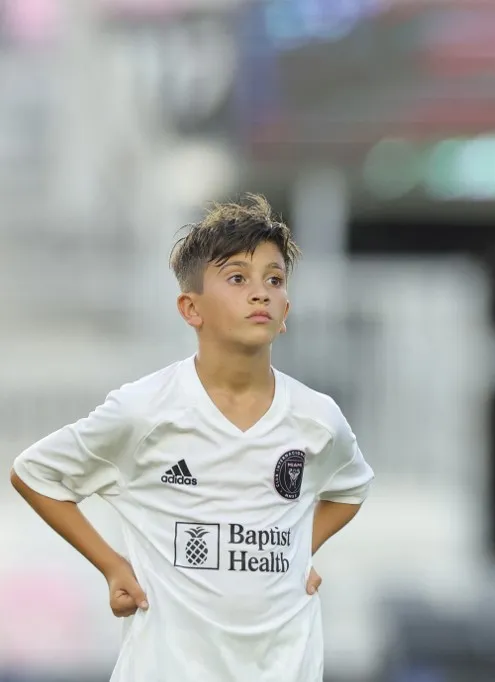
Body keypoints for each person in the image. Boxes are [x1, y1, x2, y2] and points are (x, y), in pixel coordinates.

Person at [9, 194, 374, 681]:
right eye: (238, 278)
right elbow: (35, 474)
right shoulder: (145, 410)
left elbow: (350, 489)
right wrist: (114, 567)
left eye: (274, 279)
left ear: (286, 309)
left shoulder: (317, 417)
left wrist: (295, 553)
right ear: (191, 308)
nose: (261, 292)